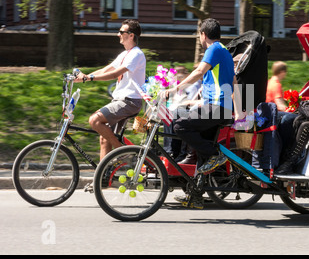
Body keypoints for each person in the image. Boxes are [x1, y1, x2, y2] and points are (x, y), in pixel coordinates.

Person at [160, 18, 244, 208]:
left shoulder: (213, 49)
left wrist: (176, 89)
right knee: (200, 151)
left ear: (203, 34)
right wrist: (237, 110)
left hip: (216, 108)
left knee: (179, 125)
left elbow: (199, 71)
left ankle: (216, 155)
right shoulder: (225, 52)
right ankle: (196, 196)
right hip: (219, 108)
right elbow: (234, 82)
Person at [75, 19, 146, 160]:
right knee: (104, 139)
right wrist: (84, 77)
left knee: (94, 120)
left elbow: (114, 74)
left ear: (131, 35)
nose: (118, 34)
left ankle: (121, 151)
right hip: (120, 100)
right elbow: (106, 69)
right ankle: (102, 179)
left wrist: (88, 79)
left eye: (121, 32)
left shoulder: (136, 54)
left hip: (129, 102)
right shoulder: (125, 54)